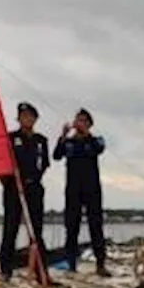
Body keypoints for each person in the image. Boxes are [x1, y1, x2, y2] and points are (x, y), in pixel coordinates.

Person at [0, 101, 50, 279]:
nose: (27, 119)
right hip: (14, 189)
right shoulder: (10, 139)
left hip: (34, 188)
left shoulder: (41, 141)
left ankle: (41, 270)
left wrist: (33, 179)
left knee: (36, 232)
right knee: (10, 228)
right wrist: (8, 182)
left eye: (30, 116)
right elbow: (1, 165)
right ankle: (6, 270)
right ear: (19, 119)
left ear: (35, 119)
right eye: (23, 116)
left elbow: (44, 165)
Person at [54, 107, 109, 276]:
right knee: (71, 227)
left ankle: (100, 264)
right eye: (78, 120)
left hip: (92, 189)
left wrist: (87, 134)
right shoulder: (68, 142)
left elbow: (99, 148)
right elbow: (56, 155)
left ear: (90, 124)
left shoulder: (96, 141)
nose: (80, 124)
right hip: (73, 189)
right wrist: (63, 136)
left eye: (84, 121)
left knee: (96, 226)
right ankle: (71, 264)